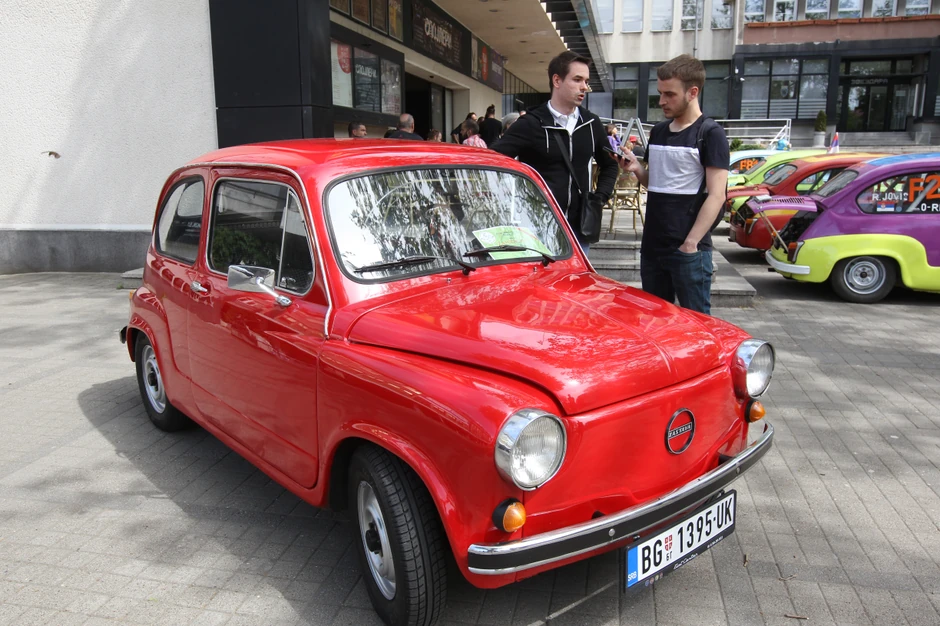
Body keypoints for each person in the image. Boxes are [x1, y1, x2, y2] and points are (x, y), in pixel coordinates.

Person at [618, 54, 729, 315]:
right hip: (653, 247)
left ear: (693, 92)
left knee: (697, 326)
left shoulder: (710, 133)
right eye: (660, 93)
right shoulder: (658, 131)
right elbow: (657, 185)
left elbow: (717, 196)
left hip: (688, 251)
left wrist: (690, 244)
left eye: (669, 94)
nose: (661, 101)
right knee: (656, 325)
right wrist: (636, 168)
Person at [492, 51, 618, 254]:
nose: (584, 87)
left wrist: (599, 198)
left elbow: (610, 164)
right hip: (537, 228)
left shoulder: (591, 123)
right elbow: (494, 160)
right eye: (577, 80)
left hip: (578, 229)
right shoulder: (531, 123)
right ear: (557, 80)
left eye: (586, 81)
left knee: (574, 284)